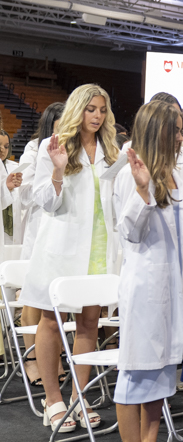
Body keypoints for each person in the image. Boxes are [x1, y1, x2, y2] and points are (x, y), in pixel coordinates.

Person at [112, 101, 183, 442]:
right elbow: (129, 232)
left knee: (160, 378)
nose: (181, 137)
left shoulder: (173, 171)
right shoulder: (128, 172)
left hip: (172, 288)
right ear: (157, 131)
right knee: (135, 379)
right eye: (175, 130)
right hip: (146, 290)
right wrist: (142, 190)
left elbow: (177, 228)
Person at [18, 83, 119, 433]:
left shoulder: (110, 148)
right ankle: (53, 399)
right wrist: (58, 169)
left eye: (102, 110)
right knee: (51, 322)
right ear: (79, 109)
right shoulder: (55, 145)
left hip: (100, 248)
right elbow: (45, 201)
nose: (97, 116)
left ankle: (78, 395)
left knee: (90, 323)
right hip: (62, 247)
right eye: (91, 109)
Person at [18, 101, 65, 388]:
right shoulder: (35, 149)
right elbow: (23, 193)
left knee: (58, 301)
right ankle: (32, 358)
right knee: (34, 297)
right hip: (39, 228)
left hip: (62, 229)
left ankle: (55, 356)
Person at [0, 129, 20, 245]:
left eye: (6, 146)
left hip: (12, 224)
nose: (2, 149)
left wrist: (8, 188)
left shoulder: (15, 167)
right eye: (0, 145)